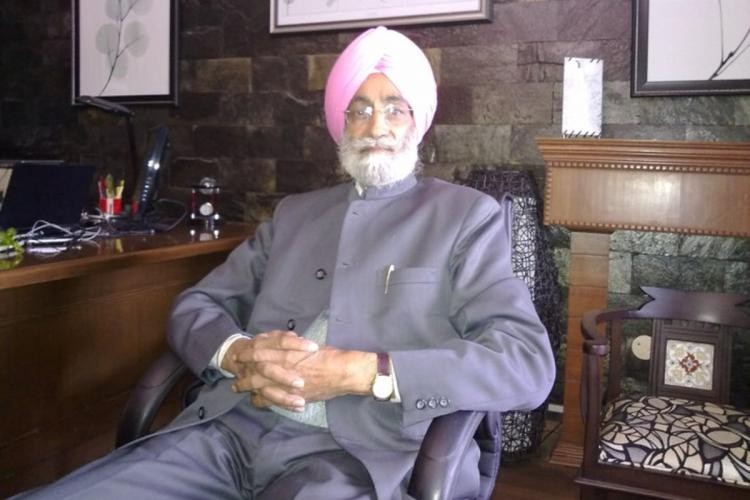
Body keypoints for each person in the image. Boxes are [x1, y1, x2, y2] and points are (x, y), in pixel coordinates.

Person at [16, 26, 555, 499]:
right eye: (360, 109)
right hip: (228, 433)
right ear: (341, 124)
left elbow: (526, 362)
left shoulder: (464, 217)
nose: (376, 126)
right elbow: (196, 305)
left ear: (418, 122)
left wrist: (365, 372)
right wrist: (237, 352)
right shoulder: (295, 214)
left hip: (358, 459)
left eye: (395, 107)